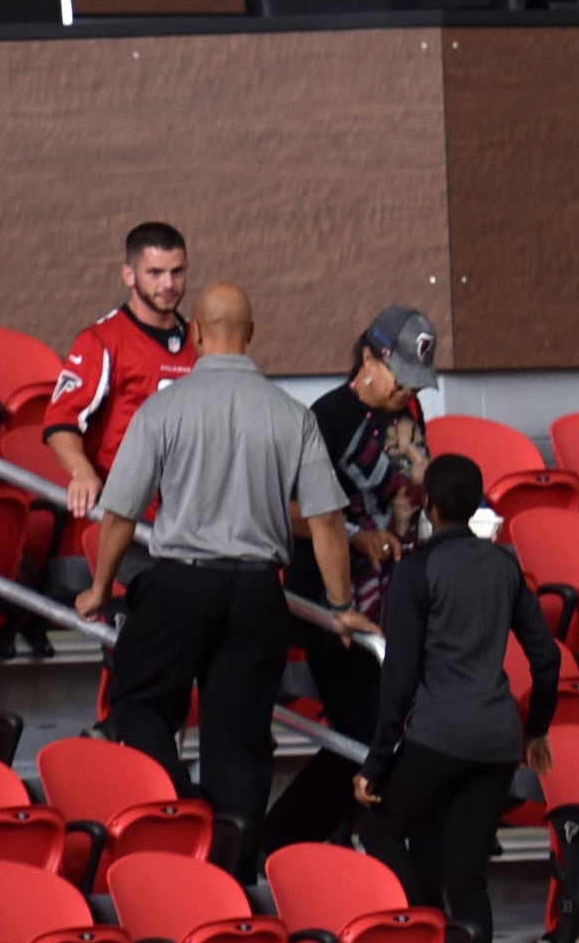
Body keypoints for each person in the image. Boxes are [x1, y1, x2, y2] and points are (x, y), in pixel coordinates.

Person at [73, 281, 363, 879]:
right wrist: (340, 605)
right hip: (260, 590)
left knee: (138, 697)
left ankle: (183, 810)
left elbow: (121, 513)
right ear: (252, 334)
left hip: (181, 580)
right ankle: (232, 866)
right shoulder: (291, 415)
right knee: (240, 737)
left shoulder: (164, 408)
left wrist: (100, 588)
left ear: (196, 335)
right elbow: (327, 521)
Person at [352, 455, 558, 943]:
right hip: (497, 740)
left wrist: (376, 762)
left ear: (429, 505)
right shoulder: (504, 565)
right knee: (466, 876)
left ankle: (421, 929)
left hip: (441, 732)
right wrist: (537, 728)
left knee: (378, 822)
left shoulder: (417, 570)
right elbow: (546, 657)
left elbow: (399, 676)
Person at [265, 305, 441, 858]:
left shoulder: (407, 414)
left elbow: (414, 490)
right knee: (364, 732)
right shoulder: (327, 417)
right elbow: (287, 508)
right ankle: (281, 839)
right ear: (369, 358)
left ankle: (341, 834)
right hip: (331, 601)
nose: (406, 393)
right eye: (400, 378)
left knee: (383, 732)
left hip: (393, 598)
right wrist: (354, 536)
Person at [43, 222, 195, 519]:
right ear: (128, 274)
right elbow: (60, 421)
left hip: (190, 515)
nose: (168, 284)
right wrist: (82, 471)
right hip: (123, 518)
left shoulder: (201, 339)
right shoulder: (101, 341)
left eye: (177, 272)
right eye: (155, 273)